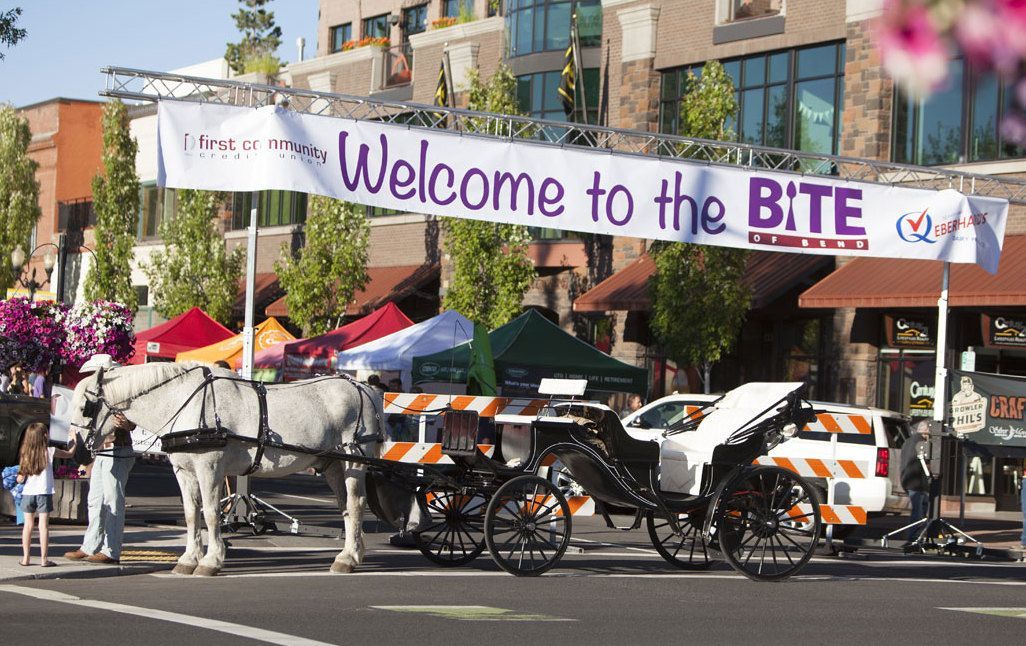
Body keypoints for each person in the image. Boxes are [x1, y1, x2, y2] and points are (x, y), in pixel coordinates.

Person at [64, 354, 138, 565]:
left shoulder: (121, 394)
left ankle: (111, 550)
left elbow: (132, 423)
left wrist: (125, 424)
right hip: (103, 451)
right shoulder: (99, 395)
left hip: (117, 450)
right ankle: (90, 546)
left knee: (112, 501)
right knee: (96, 500)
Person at [17, 422, 76, 566]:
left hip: (28, 493)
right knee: (43, 527)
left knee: (28, 526)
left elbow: (20, 478)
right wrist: (73, 440)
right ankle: (44, 559)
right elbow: (70, 454)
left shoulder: (25, 453)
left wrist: (18, 479)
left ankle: (26, 558)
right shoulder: (50, 451)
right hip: (44, 493)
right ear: (44, 436)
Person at [900, 420, 932, 541]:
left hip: (908, 480)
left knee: (919, 511)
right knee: (919, 513)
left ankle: (917, 536)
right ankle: (914, 537)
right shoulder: (923, 443)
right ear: (926, 431)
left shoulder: (907, 441)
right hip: (919, 482)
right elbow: (926, 462)